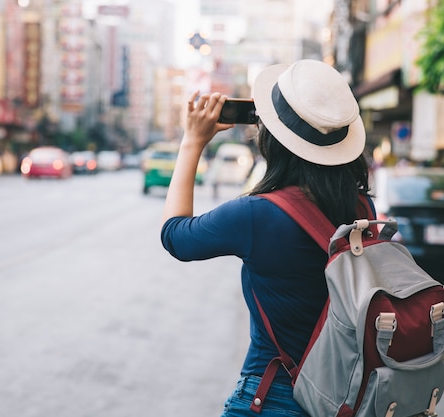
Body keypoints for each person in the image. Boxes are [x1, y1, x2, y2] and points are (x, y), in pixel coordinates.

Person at [160, 59, 373, 416]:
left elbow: (175, 236)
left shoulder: (255, 215)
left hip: (273, 397)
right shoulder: (363, 208)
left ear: (272, 140)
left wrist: (192, 142)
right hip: (344, 398)